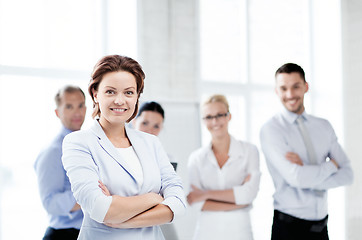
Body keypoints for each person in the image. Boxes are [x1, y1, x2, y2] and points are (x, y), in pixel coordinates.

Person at [61, 55, 186, 240]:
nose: (120, 101)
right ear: (95, 93)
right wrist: (153, 198)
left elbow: (179, 203)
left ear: (137, 96)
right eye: (111, 92)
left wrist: (124, 219)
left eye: (128, 92)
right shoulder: (78, 142)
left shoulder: (151, 143)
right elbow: (99, 208)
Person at [260, 63, 354, 240]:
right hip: (289, 228)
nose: (290, 95)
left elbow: (348, 174)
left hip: (321, 227)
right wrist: (330, 167)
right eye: (283, 88)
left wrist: (307, 175)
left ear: (306, 87)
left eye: (296, 86)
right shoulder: (271, 129)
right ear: (276, 91)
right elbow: (297, 178)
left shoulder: (324, 126)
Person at [187, 94, 261, 240]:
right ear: (203, 121)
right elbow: (194, 202)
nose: (214, 121)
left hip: (240, 232)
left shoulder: (249, 151)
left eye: (220, 115)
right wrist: (239, 202)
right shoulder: (196, 158)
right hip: (206, 232)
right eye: (209, 117)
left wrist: (206, 194)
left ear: (229, 116)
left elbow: (249, 194)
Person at [34, 85, 86, 240]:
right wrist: (90, 196)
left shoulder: (86, 145)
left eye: (81, 105)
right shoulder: (53, 151)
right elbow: (50, 202)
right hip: (63, 235)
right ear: (58, 112)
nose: (77, 112)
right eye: (69, 106)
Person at [132, 101, 179, 240]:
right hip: (126, 221)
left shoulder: (167, 159)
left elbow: (169, 199)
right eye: (145, 123)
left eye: (156, 126)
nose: (149, 131)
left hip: (157, 219)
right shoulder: (119, 154)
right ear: (134, 121)